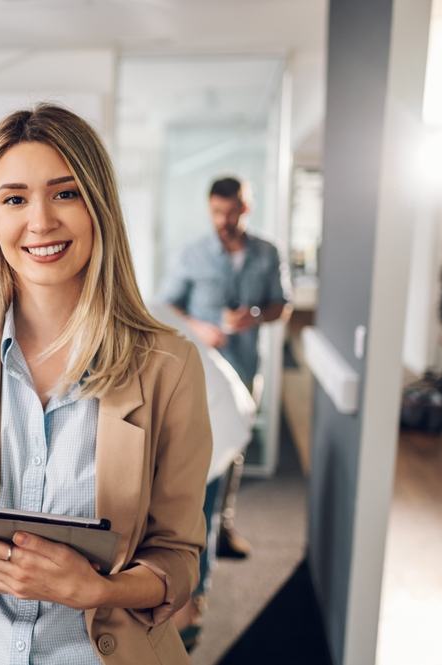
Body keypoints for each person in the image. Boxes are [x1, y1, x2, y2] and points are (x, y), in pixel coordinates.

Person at [0, 104, 212, 664]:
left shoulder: (168, 365)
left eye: (65, 193)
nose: (41, 221)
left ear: (98, 205)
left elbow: (177, 554)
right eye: (15, 199)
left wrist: (100, 591)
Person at [157, 176, 290, 645]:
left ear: (246, 208)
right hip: (204, 375)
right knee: (200, 480)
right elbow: (166, 304)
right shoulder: (192, 253)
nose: (224, 221)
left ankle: (223, 529)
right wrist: (201, 327)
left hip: (244, 373)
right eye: (217, 212)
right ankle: (194, 589)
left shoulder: (267, 254)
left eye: (232, 212)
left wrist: (255, 316)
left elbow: (283, 306)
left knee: (229, 461)